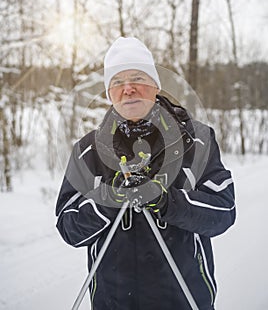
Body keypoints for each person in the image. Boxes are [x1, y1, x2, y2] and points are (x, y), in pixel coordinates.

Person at [55, 37, 236, 310]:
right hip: (112, 303)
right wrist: (109, 200)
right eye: (117, 81)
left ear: (155, 85)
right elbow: (69, 229)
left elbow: (223, 212)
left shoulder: (196, 140)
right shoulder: (87, 150)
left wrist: (167, 202)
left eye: (138, 77)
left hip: (183, 300)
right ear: (108, 93)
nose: (128, 89)